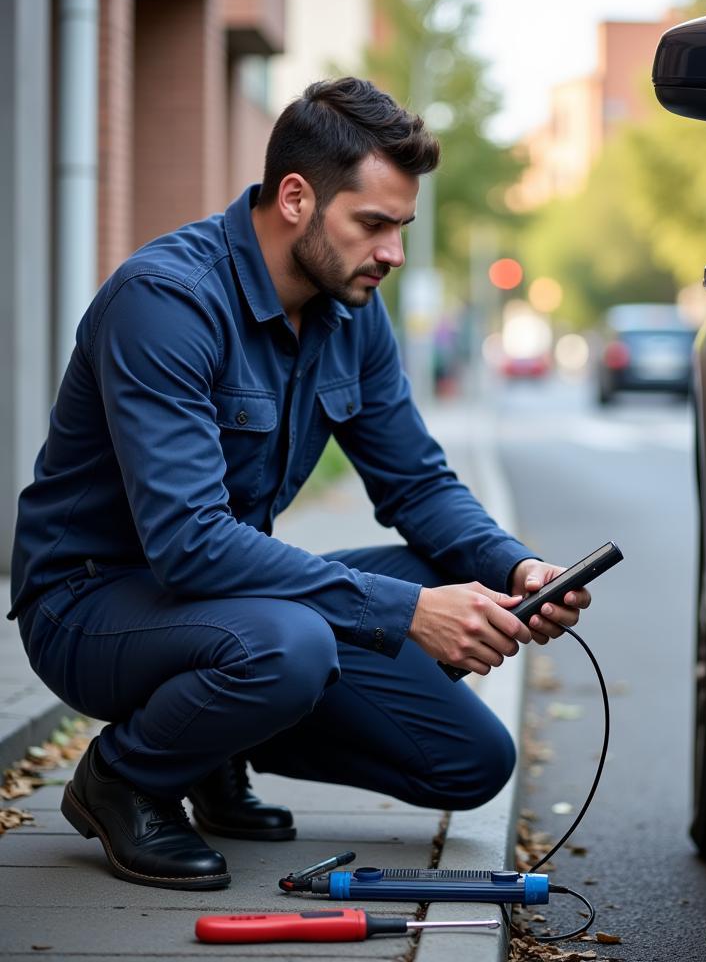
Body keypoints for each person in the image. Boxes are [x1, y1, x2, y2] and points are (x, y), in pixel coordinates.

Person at [7, 77, 591, 890]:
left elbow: (417, 484)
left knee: (471, 764)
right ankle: (126, 778)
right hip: (91, 604)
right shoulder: (167, 301)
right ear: (295, 198)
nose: (392, 252)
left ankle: (209, 749)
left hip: (222, 604)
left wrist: (514, 569)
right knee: (295, 644)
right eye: (373, 224)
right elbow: (189, 545)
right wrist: (408, 613)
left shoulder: (352, 310)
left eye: (401, 228)